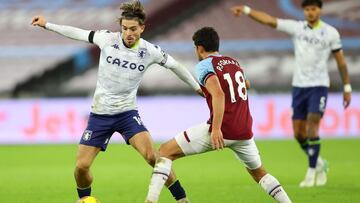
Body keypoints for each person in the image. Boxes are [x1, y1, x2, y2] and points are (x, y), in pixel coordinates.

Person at [31, 1, 201, 202]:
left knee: (153, 157)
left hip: (127, 114)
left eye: (133, 29)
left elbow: (176, 66)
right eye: (125, 28)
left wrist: (197, 87)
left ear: (142, 28)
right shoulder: (107, 39)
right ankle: (85, 199)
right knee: (81, 166)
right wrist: (47, 24)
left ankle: (182, 199)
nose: (128, 33)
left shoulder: (150, 51)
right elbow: (77, 33)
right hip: (100, 115)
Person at [145, 27, 292, 203]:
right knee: (259, 173)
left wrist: (216, 129)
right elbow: (245, 84)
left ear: (199, 48)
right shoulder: (233, 62)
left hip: (222, 129)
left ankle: (152, 200)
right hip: (244, 131)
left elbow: (219, 94)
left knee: (164, 152)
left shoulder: (204, 66)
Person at [230, 0, 352, 187]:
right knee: (298, 133)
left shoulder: (330, 33)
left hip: (319, 85)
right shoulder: (296, 28)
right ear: (304, 11)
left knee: (312, 127)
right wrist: (247, 10)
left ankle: (311, 173)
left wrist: (347, 87)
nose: (311, 12)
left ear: (319, 10)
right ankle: (320, 163)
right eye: (307, 9)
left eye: (314, 9)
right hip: (299, 87)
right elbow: (269, 21)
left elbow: (341, 61)